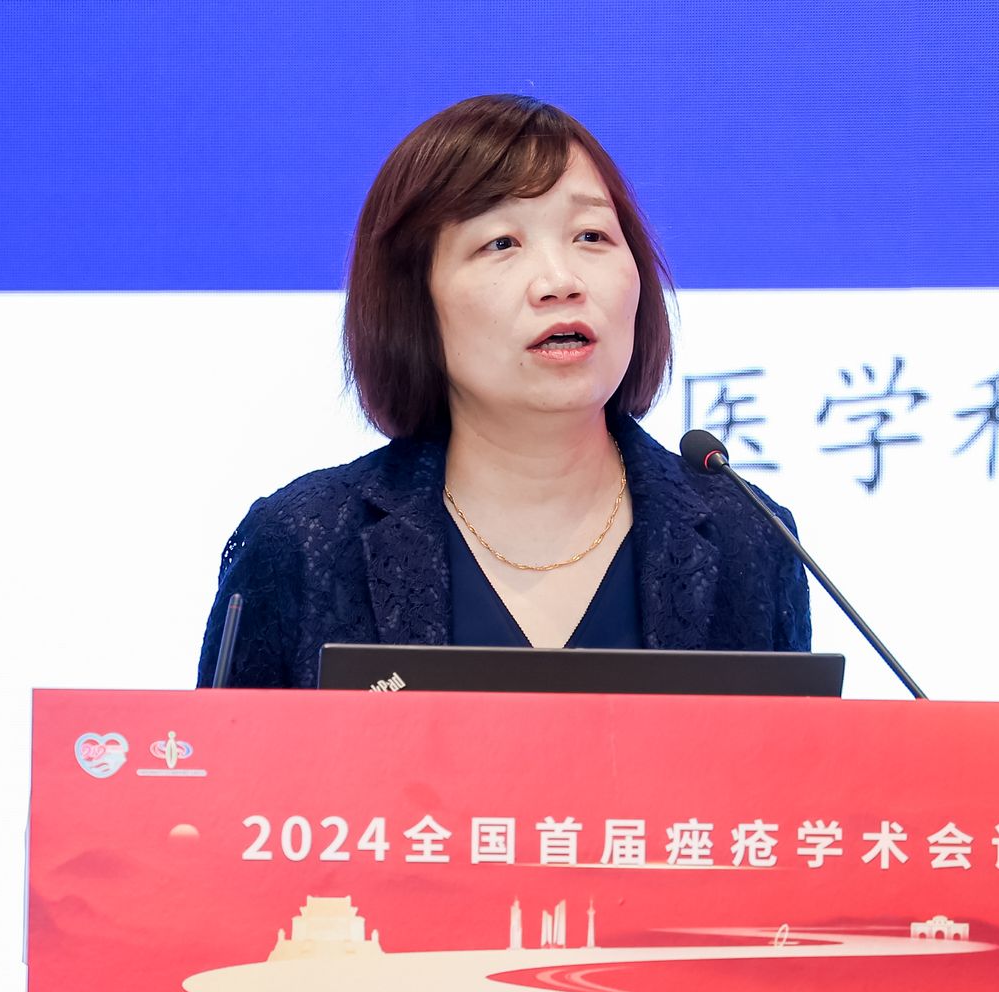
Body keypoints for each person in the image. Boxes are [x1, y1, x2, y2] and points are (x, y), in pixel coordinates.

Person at [197, 94, 810, 688]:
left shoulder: (749, 537)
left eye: (591, 236)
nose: (561, 281)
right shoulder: (303, 544)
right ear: (415, 301)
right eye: (501, 243)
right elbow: (223, 760)